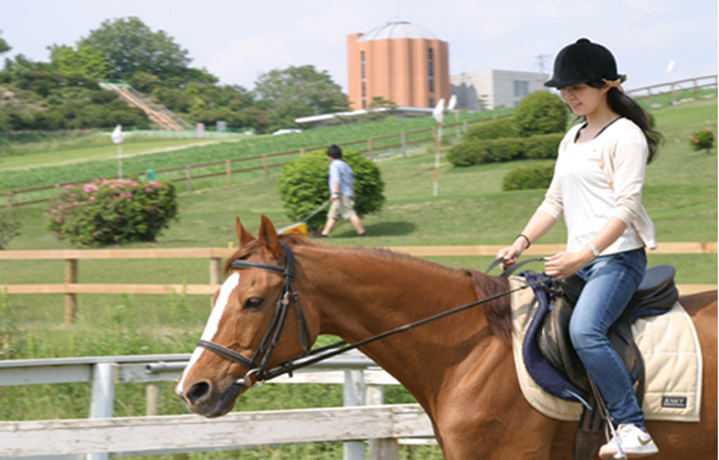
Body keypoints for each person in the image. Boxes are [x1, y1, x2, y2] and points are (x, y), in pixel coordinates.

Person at [497, 38, 662, 459]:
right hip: (578, 262)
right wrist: (521, 241)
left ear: (607, 85)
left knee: (585, 332)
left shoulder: (625, 136)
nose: (569, 95)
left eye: (577, 87)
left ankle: (632, 427)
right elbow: (554, 201)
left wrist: (583, 255)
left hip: (616, 260)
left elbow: (626, 208)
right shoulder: (572, 138)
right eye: (563, 89)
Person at [318, 144, 367, 238]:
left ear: (330, 156)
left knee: (350, 213)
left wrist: (335, 193)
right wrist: (352, 193)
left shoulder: (334, 165)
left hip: (341, 193)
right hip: (346, 192)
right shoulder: (345, 165)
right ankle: (324, 234)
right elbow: (351, 181)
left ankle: (362, 233)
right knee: (332, 215)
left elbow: (336, 179)